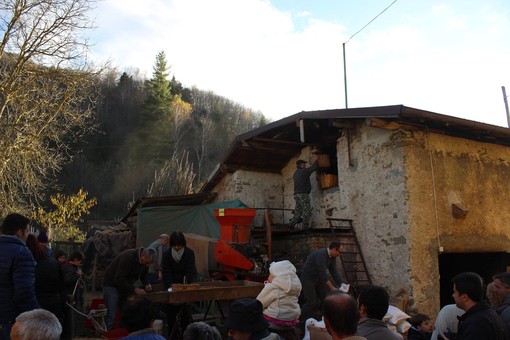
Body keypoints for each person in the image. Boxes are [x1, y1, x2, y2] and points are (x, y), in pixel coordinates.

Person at [0, 213, 39, 340]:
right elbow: (24, 293)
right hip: (11, 321)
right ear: (19, 232)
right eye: (27, 231)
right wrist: (37, 316)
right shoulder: (21, 253)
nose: (28, 235)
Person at [102, 247, 156, 330]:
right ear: (143, 256)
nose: (147, 265)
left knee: (126, 313)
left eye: (150, 263)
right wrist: (135, 289)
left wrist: (146, 284)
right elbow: (118, 279)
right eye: (147, 262)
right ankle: (107, 334)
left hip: (125, 286)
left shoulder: (145, 262)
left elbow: (144, 275)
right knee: (112, 315)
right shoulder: (128, 257)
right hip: (112, 284)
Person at [452, 272, 508, 340]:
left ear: (464, 297)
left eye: (455, 292)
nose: (453, 295)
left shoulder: (475, 324)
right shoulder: (490, 314)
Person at [161, 231, 198, 337]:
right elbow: (166, 273)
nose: (177, 247)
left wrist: (187, 286)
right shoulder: (167, 255)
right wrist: (170, 289)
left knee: (185, 318)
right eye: (175, 245)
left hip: (185, 287)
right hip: (172, 288)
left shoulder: (189, 253)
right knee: (172, 318)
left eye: (179, 245)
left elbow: (191, 271)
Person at [300, 241, 346, 323]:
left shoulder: (332, 257)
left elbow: (334, 272)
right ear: (335, 250)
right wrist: (332, 288)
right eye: (340, 252)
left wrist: (342, 284)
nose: (340, 254)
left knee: (325, 299)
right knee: (312, 302)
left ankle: (325, 320)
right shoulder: (321, 255)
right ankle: (298, 320)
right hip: (308, 277)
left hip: (319, 278)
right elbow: (323, 274)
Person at [25, 234, 65, 324]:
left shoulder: (28, 264)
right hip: (53, 304)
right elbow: (62, 285)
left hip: (35, 306)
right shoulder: (53, 262)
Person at [256, 260, 302, 339]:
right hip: (291, 318)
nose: (268, 277)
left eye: (270, 275)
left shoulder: (272, 287)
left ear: (277, 277)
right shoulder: (295, 288)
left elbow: (260, 303)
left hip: (274, 318)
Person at [289, 153, 319, 229]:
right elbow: (314, 167)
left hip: (297, 195)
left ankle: (291, 224)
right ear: (300, 165)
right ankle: (305, 227)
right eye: (304, 164)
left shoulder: (295, 173)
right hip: (303, 194)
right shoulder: (303, 171)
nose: (305, 165)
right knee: (306, 211)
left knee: (298, 211)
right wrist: (316, 159)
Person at [61, 251, 85, 339]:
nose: (80, 263)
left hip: (70, 296)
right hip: (71, 296)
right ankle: (72, 334)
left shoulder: (67, 267)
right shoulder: (70, 268)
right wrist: (77, 276)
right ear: (75, 260)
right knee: (71, 317)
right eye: (80, 261)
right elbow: (68, 280)